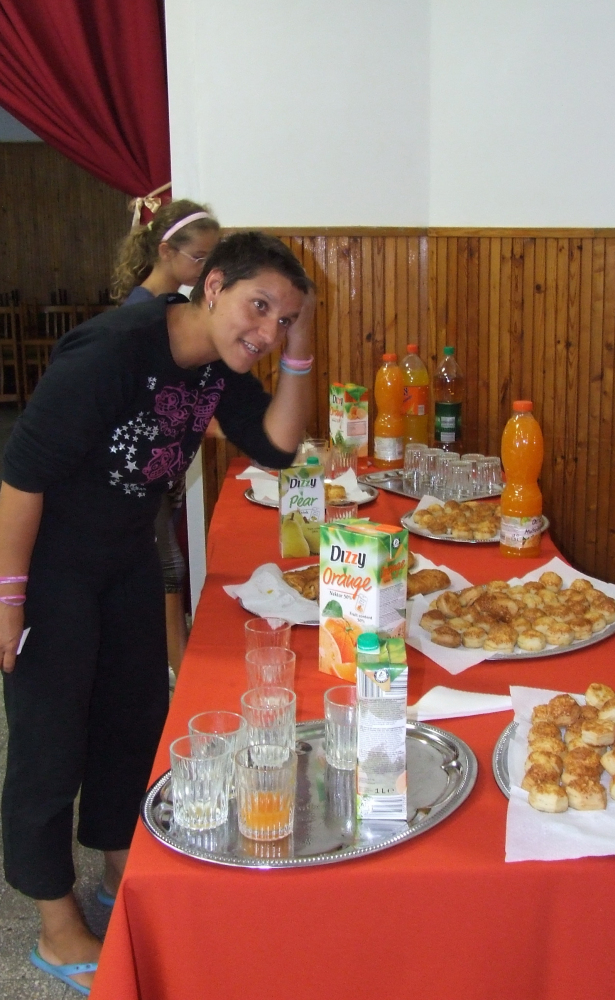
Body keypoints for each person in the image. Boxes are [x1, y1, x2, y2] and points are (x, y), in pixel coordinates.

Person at [0, 231, 316, 995]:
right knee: (49, 742)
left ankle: (121, 866)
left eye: (283, 319)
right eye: (259, 307)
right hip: (50, 568)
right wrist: (9, 600)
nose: (267, 332)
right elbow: (20, 476)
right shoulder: (113, 352)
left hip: (126, 560)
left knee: (132, 721)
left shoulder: (215, 365)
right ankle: (55, 925)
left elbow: (278, 445)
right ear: (212, 287)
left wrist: (302, 343)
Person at [113, 201, 221, 679]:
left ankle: (175, 664)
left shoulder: (174, 308)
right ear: (165, 251)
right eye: (199, 257)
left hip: (163, 467)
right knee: (168, 567)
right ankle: (178, 670)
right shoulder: (142, 314)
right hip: (140, 468)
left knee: (168, 566)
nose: (206, 268)